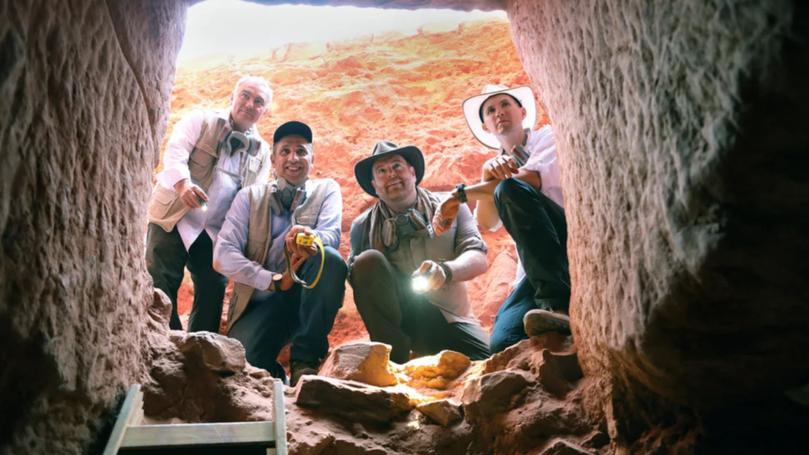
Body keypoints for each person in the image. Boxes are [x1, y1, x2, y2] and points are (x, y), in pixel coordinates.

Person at [433, 85, 571, 353]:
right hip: (536, 268)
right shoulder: (495, 165)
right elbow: (487, 222)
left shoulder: (547, 137)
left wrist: (459, 194)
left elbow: (532, 180)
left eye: (505, 105)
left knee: (510, 188)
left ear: (522, 111)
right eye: (491, 110)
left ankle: (558, 306)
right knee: (502, 343)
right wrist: (487, 178)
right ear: (486, 126)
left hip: (566, 240)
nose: (499, 113)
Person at [213, 121, 346, 385]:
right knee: (244, 362)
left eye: (301, 151)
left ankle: (304, 361)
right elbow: (222, 254)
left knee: (330, 258)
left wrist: (308, 237)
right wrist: (274, 280)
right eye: (285, 151)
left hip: (307, 297)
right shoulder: (248, 197)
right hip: (260, 302)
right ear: (273, 159)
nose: (293, 158)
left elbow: (331, 235)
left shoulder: (327, 189)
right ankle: (278, 381)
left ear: (312, 158)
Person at [146, 76, 273, 332]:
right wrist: (183, 184)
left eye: (258, 101)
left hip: (214, 232)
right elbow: (175, 152)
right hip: (174, 216)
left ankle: (198, 353)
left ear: (264, 111)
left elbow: (253, 199)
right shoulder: (200, 120)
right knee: (160, 280)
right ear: (232, 98)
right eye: (245, 96)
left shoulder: (262, 153)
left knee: (213, 289)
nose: (249, 104)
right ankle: (165, 342)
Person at [348, 141, 490, 364]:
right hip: (402, 319)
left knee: (489, 362)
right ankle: (394, 360)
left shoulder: (451, 206)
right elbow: (360, 284)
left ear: (412, 172)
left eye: (397, 166)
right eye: (382, 171)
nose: (391, 175)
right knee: (366, 262)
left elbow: (478, 257)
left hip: (450, 317)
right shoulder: (362, 226)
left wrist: (445, 271)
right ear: (374, 185)